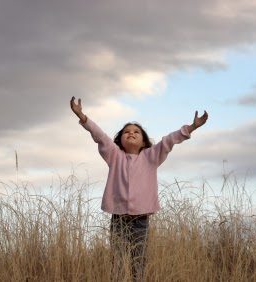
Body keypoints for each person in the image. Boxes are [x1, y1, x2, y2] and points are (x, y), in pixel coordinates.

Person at [70, 96, 208, 281]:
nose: (131, 133)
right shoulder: (115, 156)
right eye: (126, 132)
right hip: (118, 219)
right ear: (120, 141)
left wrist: (191, 127)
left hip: (141, 220)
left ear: (143, 142)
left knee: (138, 262)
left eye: (136, 132)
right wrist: (83, 116)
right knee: (117, 263)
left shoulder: (151, 156)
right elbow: (100, 136)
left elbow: (169, 140)